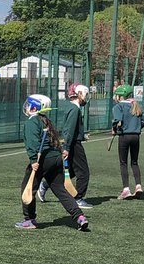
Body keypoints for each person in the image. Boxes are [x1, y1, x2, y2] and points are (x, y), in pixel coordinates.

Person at [16, 94, 90, 232]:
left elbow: (32, 143)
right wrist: (61, 151)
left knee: (27, 188)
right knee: (60, 190)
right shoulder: (46, 121)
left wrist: (33, 160)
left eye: (28, 104)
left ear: (34, 107)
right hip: (56, 159)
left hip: (42, 159)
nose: (26, 106)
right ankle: (79, 216)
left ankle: (29, 219)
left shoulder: (32, 122)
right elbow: (55, 140)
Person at [39, 83, 93, 210]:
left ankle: (45, 184)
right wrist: (66, 147)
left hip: (73, 142)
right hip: (73, 144)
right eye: (84, 94)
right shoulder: (74, 109)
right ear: (79, 94)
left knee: (73, 171)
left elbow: (71, 128)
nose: (86, 97)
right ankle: (78, 197)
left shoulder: (71, 107)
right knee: (84, 172)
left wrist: (81, 135)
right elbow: (69, 128)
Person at [112, 83, 144, 199]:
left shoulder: (118, 106)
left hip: (124, 137)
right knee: (134, 162)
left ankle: (126, 189)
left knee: (123, 163)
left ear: (120, 96)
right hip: (136, 137)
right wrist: (136, 128)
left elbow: (117, 120)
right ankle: (138, 186)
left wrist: (115, 129)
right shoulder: (136, 105)